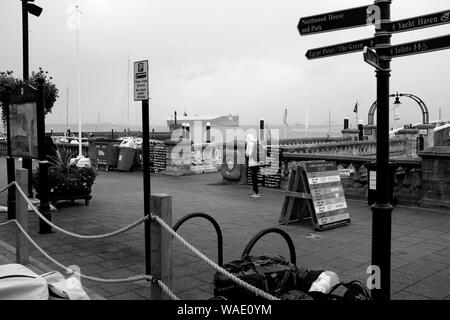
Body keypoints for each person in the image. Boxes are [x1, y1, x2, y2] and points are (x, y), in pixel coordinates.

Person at [245, 134, 260, 198]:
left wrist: (246, 153)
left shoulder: (249, 144)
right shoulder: (257, 142)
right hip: (257, 162)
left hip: (252, 163)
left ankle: (256, 193)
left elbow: (249, 154)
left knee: (254, 178)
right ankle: (254, 190)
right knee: (255, 177)